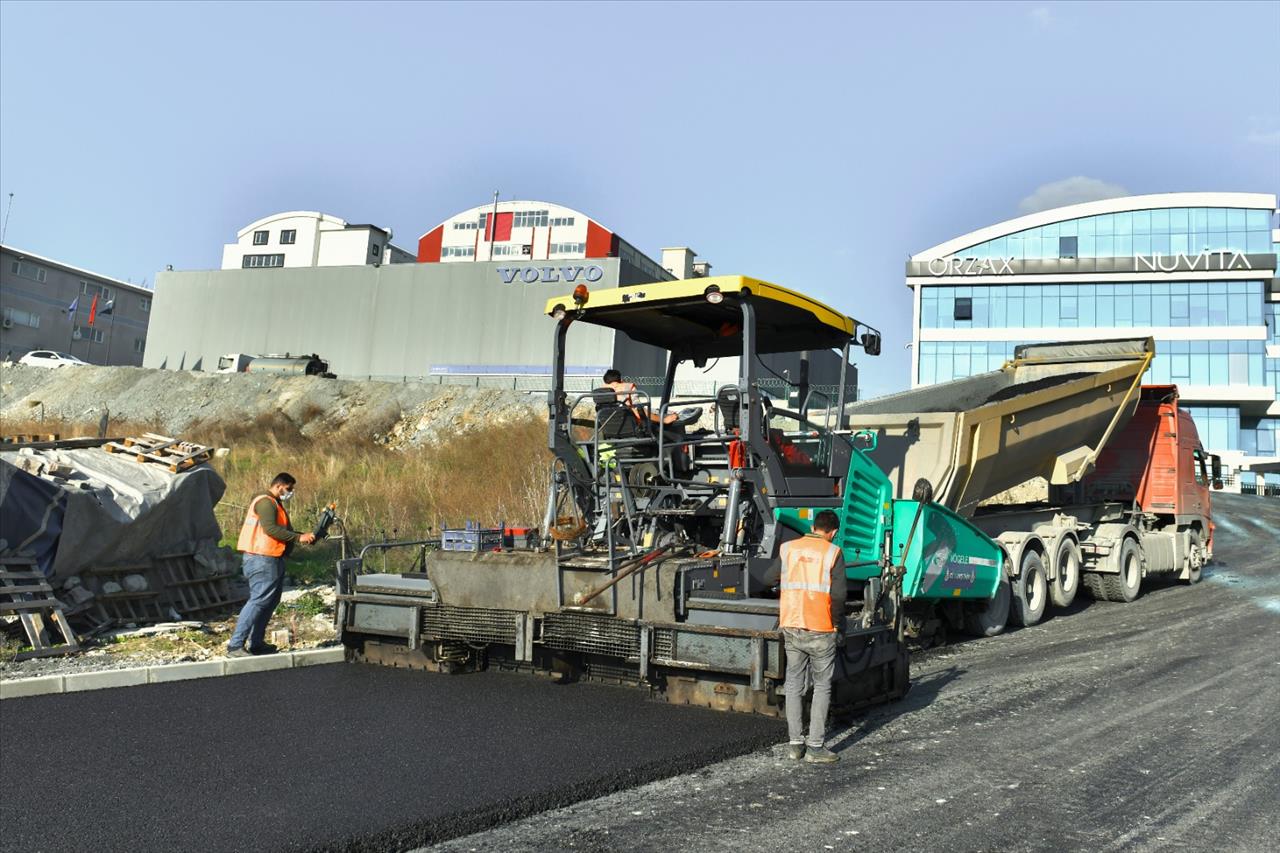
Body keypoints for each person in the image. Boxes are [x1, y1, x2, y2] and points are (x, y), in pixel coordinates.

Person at [779, 509, 848, 763]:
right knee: (821, 686)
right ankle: (815, 748)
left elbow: (767, 577)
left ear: (814, 526)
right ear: (833, 532)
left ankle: (795, 745)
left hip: (792, 625)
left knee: (794, 685)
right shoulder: (833, 552)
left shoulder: (787, 548)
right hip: (821, 628)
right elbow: (839, 596)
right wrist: (838, 625)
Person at [226, 472, 315, 657]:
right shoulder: (266, 502)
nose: (290, 492)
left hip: (271, 557)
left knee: (269, 601)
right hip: (262, 558)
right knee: (259, 601)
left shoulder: (275, 503)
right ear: (279, 485)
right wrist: (299, 537)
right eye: (289, 489)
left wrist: (303, 536)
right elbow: (271, 529)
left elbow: (282, 530)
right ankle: (235, 646)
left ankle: (256, 643)